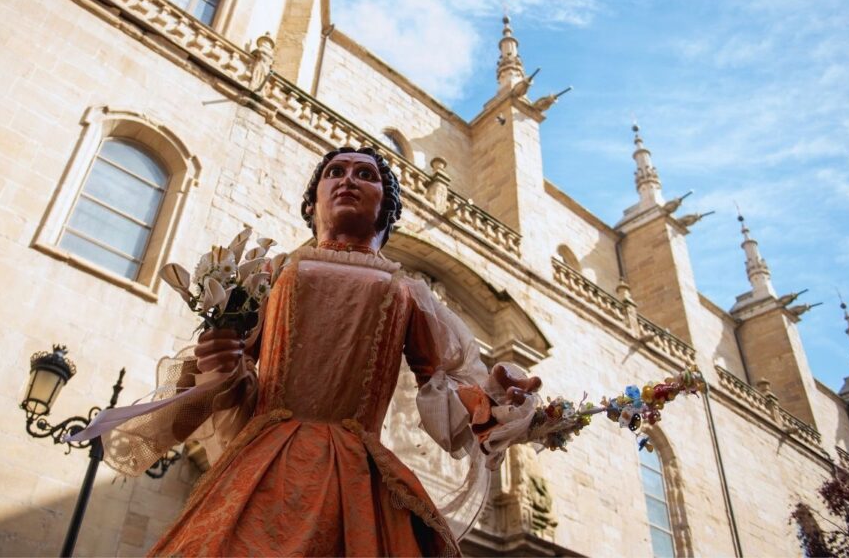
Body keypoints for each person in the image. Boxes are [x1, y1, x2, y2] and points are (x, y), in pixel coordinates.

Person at [103, 147, 545, 556]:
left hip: (353, 472)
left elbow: (442, 383)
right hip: (263, 461)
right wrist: (220, 363)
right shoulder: (271, 274)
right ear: (312, 202)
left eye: (365, 174)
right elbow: (230, 379)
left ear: (386, 209)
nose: (348, 179)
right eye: (335, 172)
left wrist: (495, 398)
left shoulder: (407, 293)